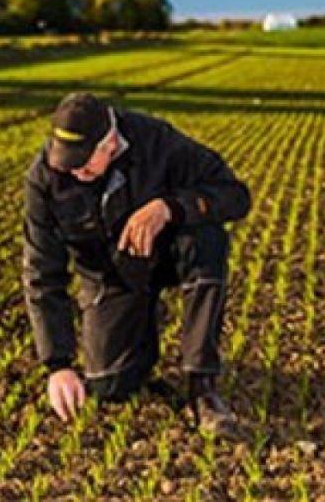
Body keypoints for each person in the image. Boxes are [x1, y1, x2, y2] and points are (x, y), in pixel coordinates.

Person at [21, 92, 251, 432]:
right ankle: (141, 327)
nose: (76, 173)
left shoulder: (157, 142)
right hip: (111, 275)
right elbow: (42, 272)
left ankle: (202, 384)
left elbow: (235, 195)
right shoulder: (45, 178)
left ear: (110, 143)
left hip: (167, 256)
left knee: (206, 239)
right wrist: (58, 365)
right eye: (67, 163)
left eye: (84, 163)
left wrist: (169, 207)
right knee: (110, 383)